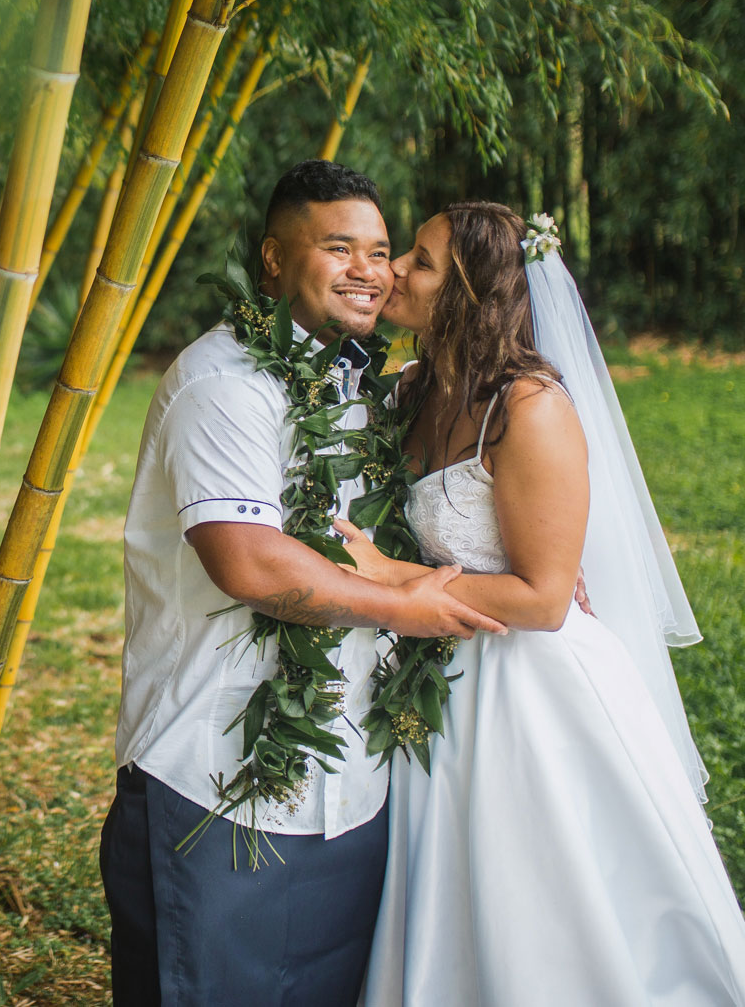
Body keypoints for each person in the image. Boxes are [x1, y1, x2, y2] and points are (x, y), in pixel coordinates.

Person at [339, 201, 745, 1006]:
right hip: (437, 682)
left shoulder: (530, 409)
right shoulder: (410, 393)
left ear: (475, 294)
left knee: (544, 901)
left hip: (526, 689)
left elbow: (544, 597)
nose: (395, 266)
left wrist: (390, 578)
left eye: (423, 260)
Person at [98, 162, 505, 1007]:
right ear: (274, 260)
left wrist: (527, 568)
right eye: (339, 246)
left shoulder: (355, 384)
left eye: (383, 251)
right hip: (215, 782)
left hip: (347, 784)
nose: (370, 267)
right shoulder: (226, 385)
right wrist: (409, 608)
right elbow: (248, 559)